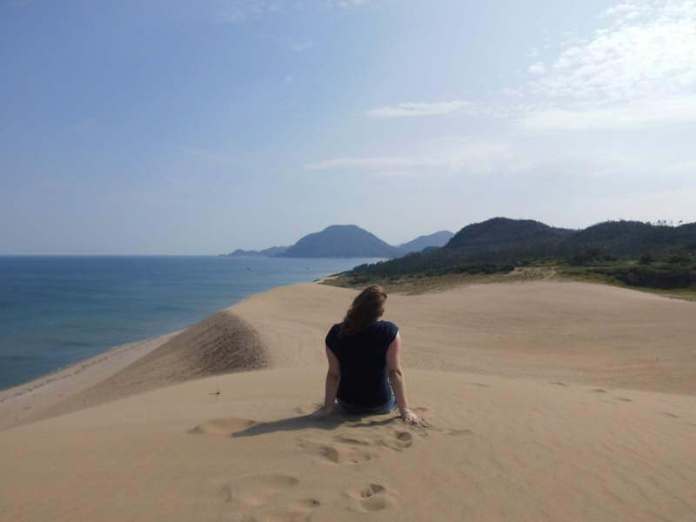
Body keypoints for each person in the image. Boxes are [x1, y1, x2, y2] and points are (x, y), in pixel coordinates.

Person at [317, 285, 421, 425]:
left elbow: (334, 374)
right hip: (380, 405)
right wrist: (405, 410)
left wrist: (328, 408)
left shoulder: (335, 333)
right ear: (380, 311)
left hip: (347, 404)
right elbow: (394, 372)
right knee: (392, 390)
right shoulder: (389, 331)